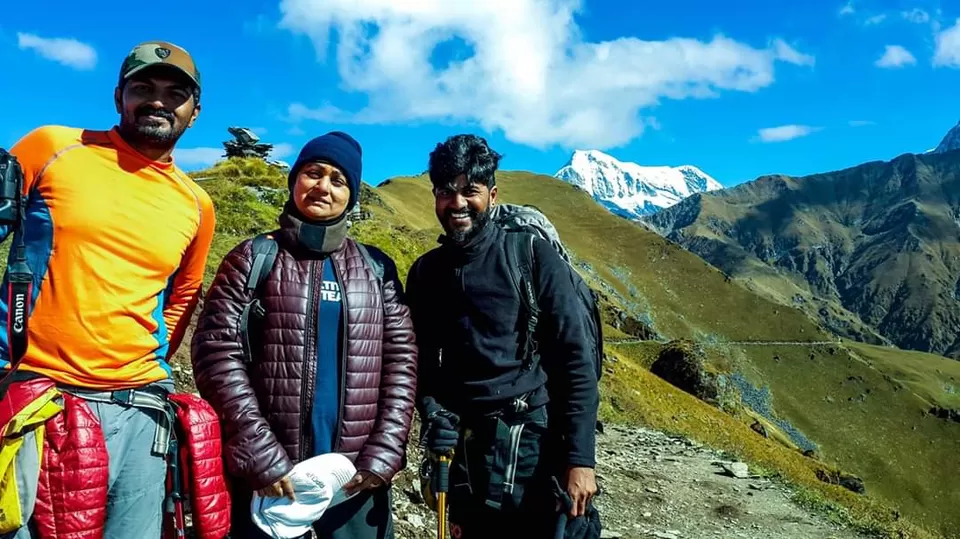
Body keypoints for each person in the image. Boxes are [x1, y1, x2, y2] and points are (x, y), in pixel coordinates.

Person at [0, 40, 215, 538]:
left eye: (175, 93)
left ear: (195, 112)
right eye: (143, 87)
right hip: (36, 397)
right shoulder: (49, 146)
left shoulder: (197, 204)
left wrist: (142, 365)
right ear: (119, 96)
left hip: (141, 407)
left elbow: (182, 297)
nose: (158, 100)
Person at [190, 131, 418, 539]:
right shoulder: (253, 258)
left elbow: (401, 363)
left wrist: (383, 454)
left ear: (351, 195)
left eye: (338, 179)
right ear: (294, 179)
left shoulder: (376, 269)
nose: (323, 187)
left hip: (353, 482)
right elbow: (215, 354)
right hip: (272, 479)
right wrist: (260, 455)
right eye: (313, 173)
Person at [405, 134, 600, 538]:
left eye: (469, 191)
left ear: (492, 195)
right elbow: (419, 363)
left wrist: (581, 460)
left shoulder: (531, 256)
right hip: (460, 454)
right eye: (445, 192)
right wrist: (433, 413)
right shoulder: (426, 273)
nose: (457, 203)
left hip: (532, 447)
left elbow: (576, 360)